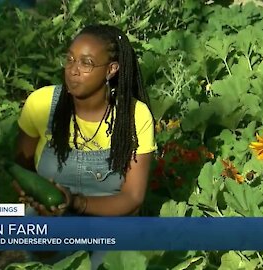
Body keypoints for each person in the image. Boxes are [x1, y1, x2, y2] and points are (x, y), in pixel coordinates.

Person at [13, 24, 157, 268]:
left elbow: (133, 197)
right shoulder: (41, 103)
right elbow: (20, 169)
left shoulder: (134, 116)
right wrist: (33, 199)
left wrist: (76, 203)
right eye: (70, 59)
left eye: (86, 63)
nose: (73, 70)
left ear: (111, 70)